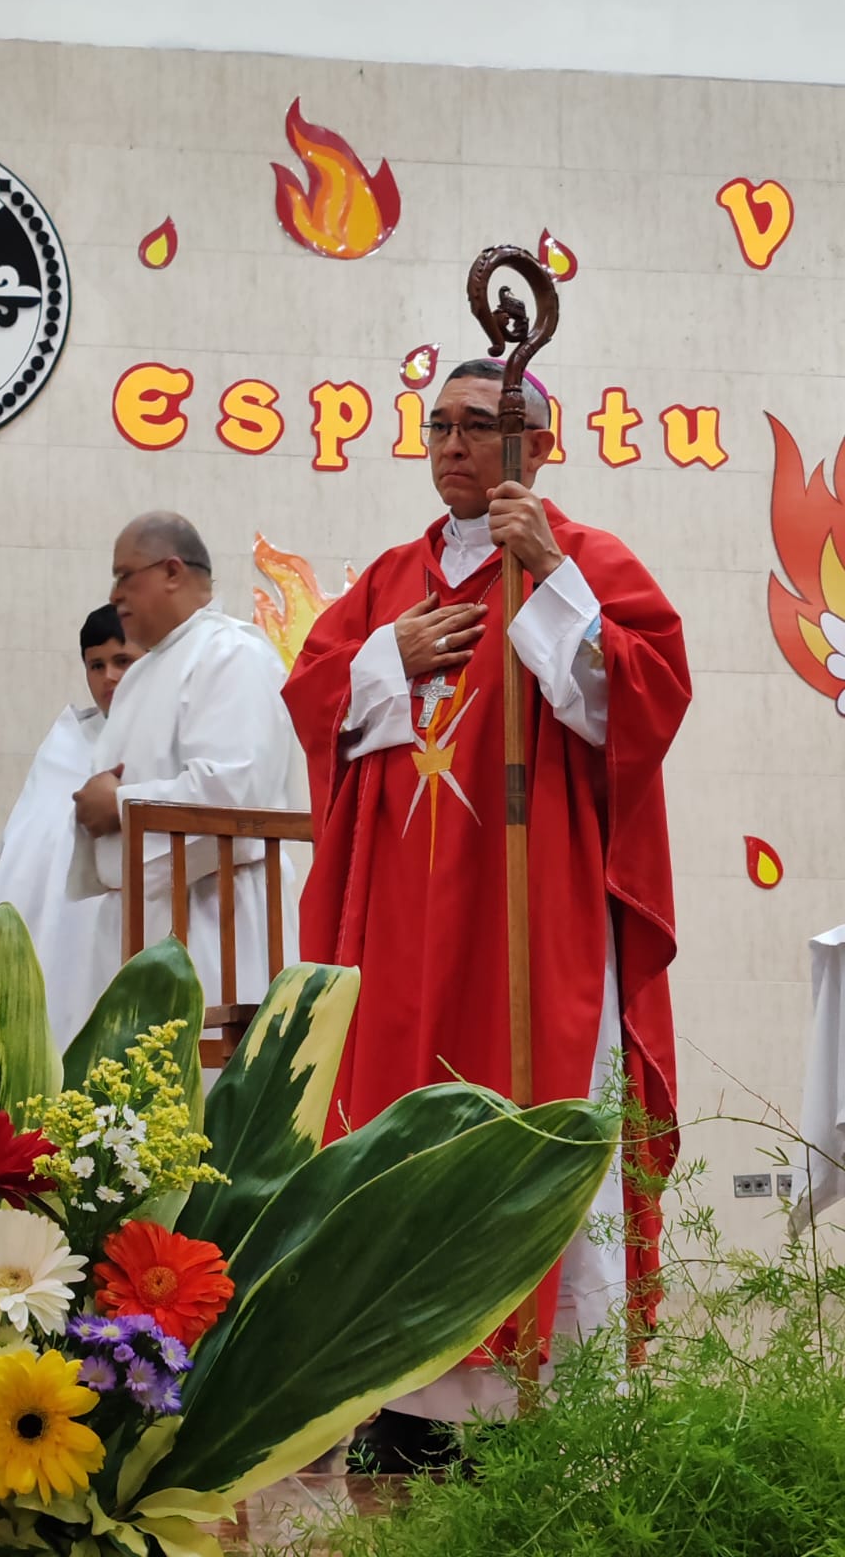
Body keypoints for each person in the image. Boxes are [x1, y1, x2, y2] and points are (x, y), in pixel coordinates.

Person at [284, 359, 691, 1447]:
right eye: (438, 425)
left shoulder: (589, 561)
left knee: (540, 1114)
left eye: (479, 425)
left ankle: (550, 1401)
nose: (453, 444)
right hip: (405, 923)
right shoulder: (388, 582)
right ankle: (403, 1404)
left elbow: (641, 704)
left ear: (539, 448)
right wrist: (388, 658)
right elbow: (312, 698)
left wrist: (549, 574)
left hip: (536, 910)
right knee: (397, 1126)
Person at [67, 512, 299, 1023]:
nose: (115, 594)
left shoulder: (231, 653)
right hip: (143, 920)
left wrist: (118, 805)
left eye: (125, 576)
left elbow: (236, 792)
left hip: (217, 921)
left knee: (206, 1071)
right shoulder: (143, 673)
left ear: (172, 571)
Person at [0, 605, 143, 1047]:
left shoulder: (162, 734)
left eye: (122, 661)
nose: (109, 677)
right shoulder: (68, 741)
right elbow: (27, 842)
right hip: (65, 925)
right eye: (97, 665)